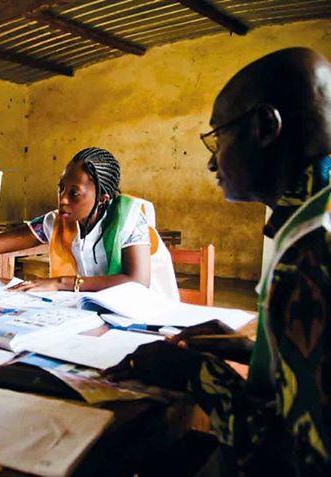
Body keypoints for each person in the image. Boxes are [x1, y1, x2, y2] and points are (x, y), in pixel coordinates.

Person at [106, 48, 331, 475]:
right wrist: (255, 348)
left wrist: (196, 373)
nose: (212, 160)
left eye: (219, 137)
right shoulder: (314, 215)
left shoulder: (312, 251)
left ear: (266, 127)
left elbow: (290, 462)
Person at [0, 147, 178, 297]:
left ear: (103, 197)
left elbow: (136, 282)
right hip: (99, 309)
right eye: (61, 189)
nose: (62, 201)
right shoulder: (60, 222)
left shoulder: (130, 217)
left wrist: (60, 283)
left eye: (74, 194)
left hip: (151, 318)